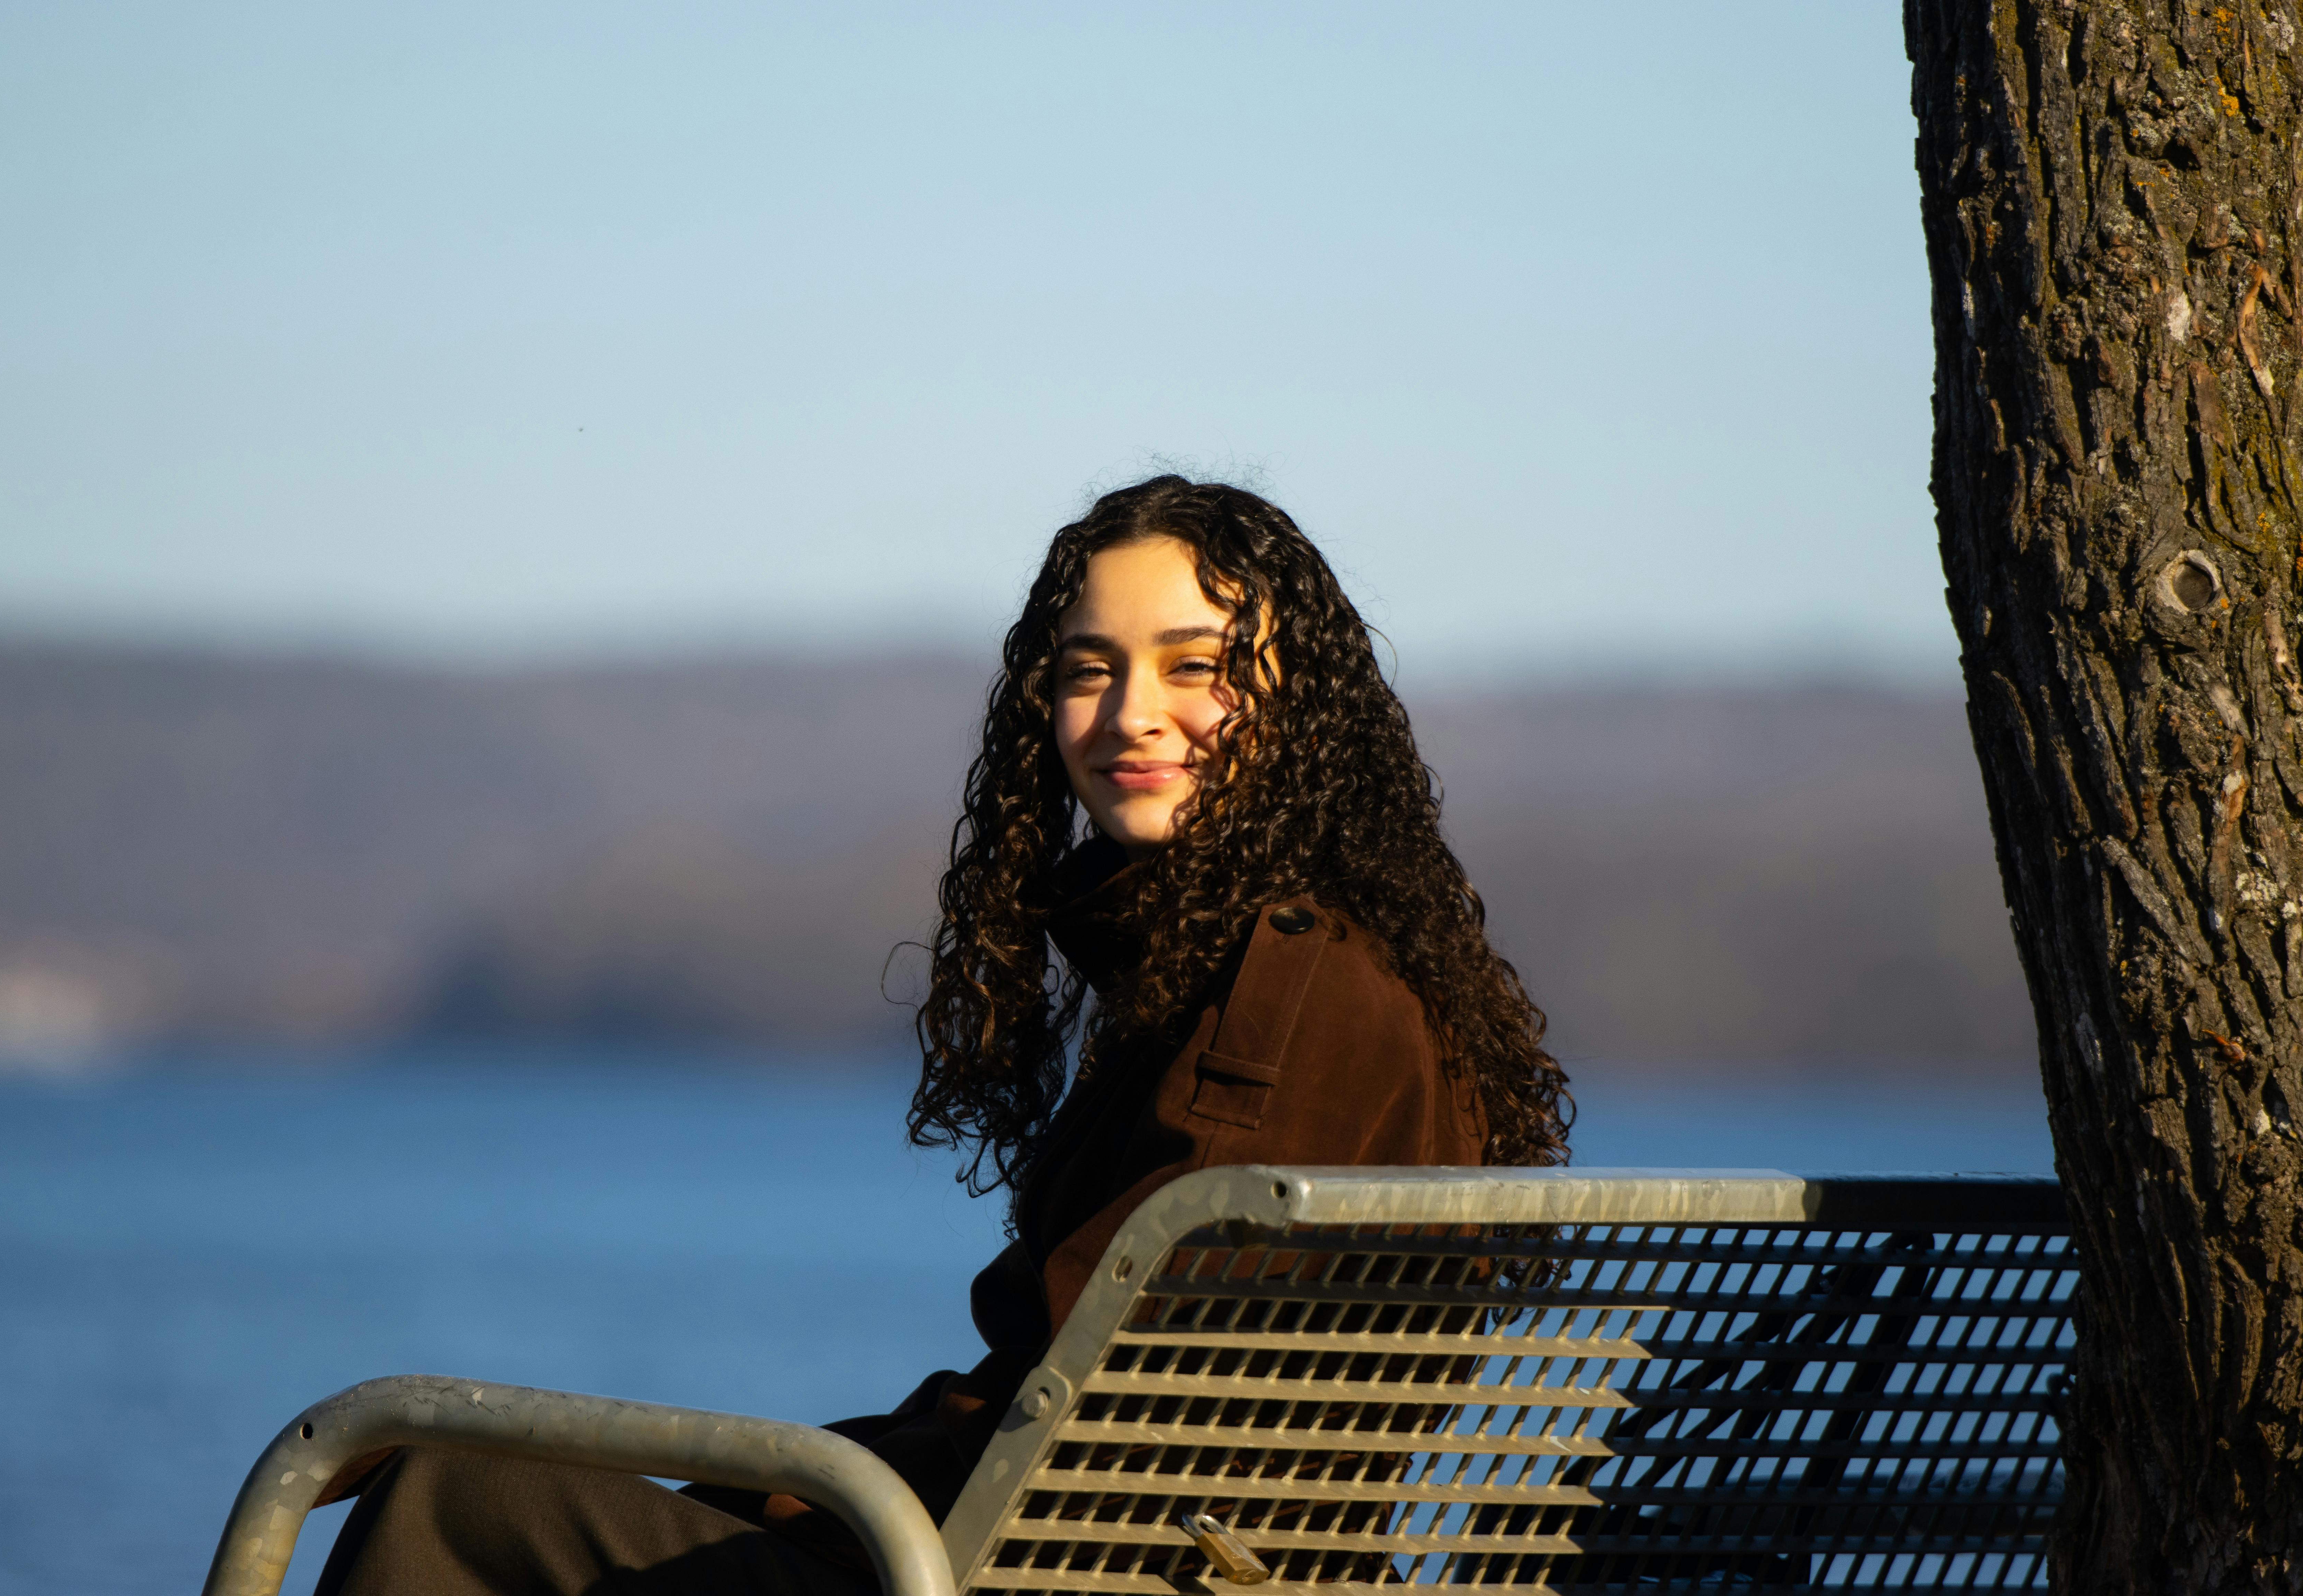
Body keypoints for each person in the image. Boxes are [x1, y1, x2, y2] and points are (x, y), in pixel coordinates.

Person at [311, 476, 1570, 1596]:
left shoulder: (1288, 997)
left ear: (1305, 704)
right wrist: (734, 1492)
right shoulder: (1336, 966)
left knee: (452, 1499)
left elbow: (1079, 1426)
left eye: (1197, 666)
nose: (1132, 713)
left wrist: (721, 1488)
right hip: (1122, 1561)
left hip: (1074, 1574)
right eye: (1089, 670)